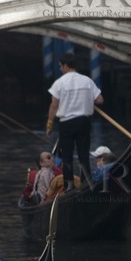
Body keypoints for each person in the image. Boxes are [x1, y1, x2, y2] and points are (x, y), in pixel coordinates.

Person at [46, 55, 102, 188]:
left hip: (66, 123)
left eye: (60, 66)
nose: (60, 69)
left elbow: (54, 105)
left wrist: (49, 124)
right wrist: (88, 99)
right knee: (84, 155)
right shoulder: (87, 81)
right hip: (84, 122)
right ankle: (86, 184)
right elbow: (100, 100)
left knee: (67, 157)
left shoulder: (59, 83)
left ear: (66, 65)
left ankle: (69, 187)